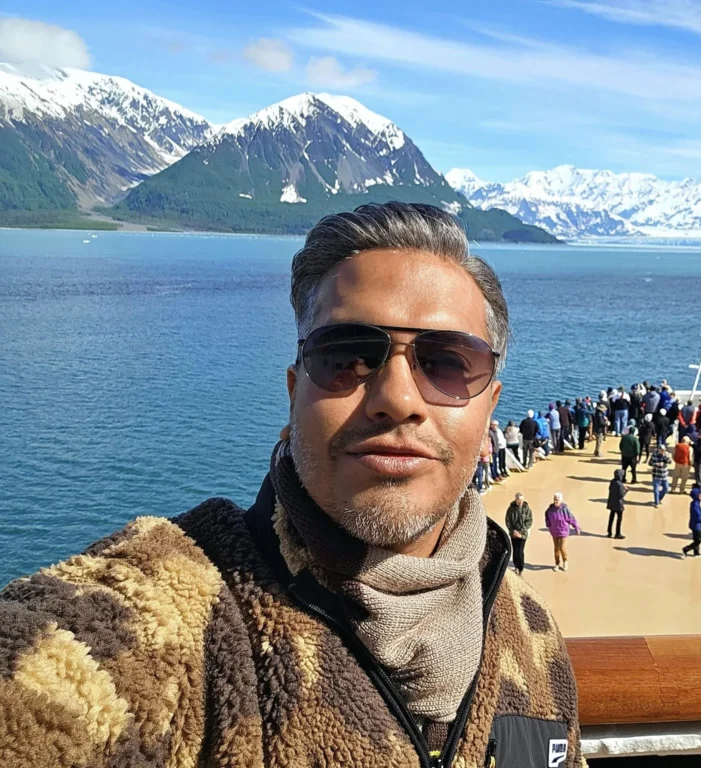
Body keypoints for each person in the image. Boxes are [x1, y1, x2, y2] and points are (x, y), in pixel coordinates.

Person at [0, 203, 583, 766]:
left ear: (489, 415)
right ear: (293, 393)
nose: (397, 399)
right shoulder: (178, 615)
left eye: (448, 363)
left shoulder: (534, 638)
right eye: (347, 356)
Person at [545, 492, 581, 571]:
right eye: (554, 499)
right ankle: (557, 563)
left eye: (557, 500)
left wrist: (576, 528)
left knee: (562, 548)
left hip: (564, 531)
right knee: (556, 548)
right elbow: (547, 516)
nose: (555, 501)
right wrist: (549, 525)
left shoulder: (565, 509)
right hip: (554, 532)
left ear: (561, 500)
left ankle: (565, 561)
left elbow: (571, 518)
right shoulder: (550, 509)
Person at [505, 492, 533, 575]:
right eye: (518, 500)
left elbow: (529, 521)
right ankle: (516, 566)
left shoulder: (527, 509)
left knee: (520, 551)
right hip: (513, 533)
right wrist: (512, 530)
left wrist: (521, 532)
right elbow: (507, 521)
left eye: (521, 500)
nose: (520, 502)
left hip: (522, 534)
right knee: (515, 550)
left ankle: (520, 568)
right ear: (515, 500)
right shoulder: (511, 509)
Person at [682, 487, 701, 557]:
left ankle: (696, 552)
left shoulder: (695, 503)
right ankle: (686, 549)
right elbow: (698, 517)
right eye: (700, 495)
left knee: (696, 539)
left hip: (694, 524)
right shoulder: (695, 505)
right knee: (698, 540)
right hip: (696, 526)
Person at [606, 469, 628, 539]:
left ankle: (609, 532)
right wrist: (626, 491)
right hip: (618, 504)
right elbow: (621, 496)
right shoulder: (620, 484)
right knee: (619, 519)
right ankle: (617, 533)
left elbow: (609, 489)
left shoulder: (612, 481)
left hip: (612, 502)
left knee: (611, 518)